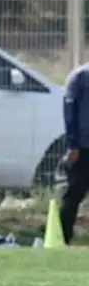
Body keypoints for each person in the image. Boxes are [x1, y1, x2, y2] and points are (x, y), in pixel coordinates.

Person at [59, 64, 89, 241]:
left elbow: (69, 112)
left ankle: (63, 237)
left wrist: (72, 145)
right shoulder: (80, 77)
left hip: (82, 146)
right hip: (83, 146)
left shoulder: (78, 76)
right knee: (73, 196)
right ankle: (63, 236)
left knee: (73, 195)